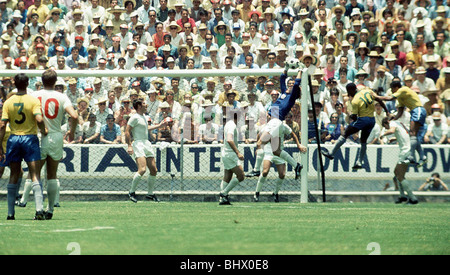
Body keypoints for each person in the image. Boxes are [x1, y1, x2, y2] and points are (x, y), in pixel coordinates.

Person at [0, 73, 48, 220]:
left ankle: (10, 213)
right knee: (34, 173)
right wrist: (43, 129)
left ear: (15, 84)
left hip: (14, 139)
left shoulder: (8, 102)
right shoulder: (33, 100)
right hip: (29, 138)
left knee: (14, 174)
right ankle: (39, 209)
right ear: (27, 84)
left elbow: (2, 124)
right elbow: (39, 118)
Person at [32, 69, 78, 219]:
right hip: (56, 135)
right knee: (52, 175)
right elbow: (75, 115)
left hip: (39, 136)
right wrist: (71, 132)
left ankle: (38, 209)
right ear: (55, 81)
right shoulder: (61, 96)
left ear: (42, 80)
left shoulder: (34, 95)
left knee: (36, 175)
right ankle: (50, 209)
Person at [322, 83, 389, 169]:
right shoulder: (367, 92)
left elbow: (354, 116)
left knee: (345, 133)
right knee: (363, 140)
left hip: (363, 120)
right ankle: (359, 162)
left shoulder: (355, 100)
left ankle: (332, 153)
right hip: (372, 120)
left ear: (350, 90)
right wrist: (387, 111)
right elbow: (379, 100)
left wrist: (351, 115)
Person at [255, 65, 303, 180]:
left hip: (276, 121)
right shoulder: (283, 93)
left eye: (292, 85)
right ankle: (296, 165)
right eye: (289, 84)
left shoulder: (291, 97)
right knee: (275, 150)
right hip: (273, 121)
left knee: (259, 143)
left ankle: (256, 170)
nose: (290, 85)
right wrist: (286, 68)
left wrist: (300, 71)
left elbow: (296, 84)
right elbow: (282, 78)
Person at [126, 99, 168, 203]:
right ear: (139, 106)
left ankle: (150, 194)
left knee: (154, 170)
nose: (146, 105)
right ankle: (131, 192)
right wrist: (129, 145)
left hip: (146, 143)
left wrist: (159, 126)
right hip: (139, 143)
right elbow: (127, 131)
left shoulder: (144, 117)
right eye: (144, 104)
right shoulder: (134, 117)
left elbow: (146, 128)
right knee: (142, 169)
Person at [377, 81, 428, 166]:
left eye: (392, 90)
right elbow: (400, 112)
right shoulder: (400, 98)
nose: (392, 92)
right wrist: (392, 120)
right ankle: (422, 156)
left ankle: (411, 156)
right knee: (413, 135)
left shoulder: (403, 89)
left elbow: (390, 98)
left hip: (418, 109)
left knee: (412, 133)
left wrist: (376, 97)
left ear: (396, 87)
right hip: (414, 111)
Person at [254, 122, 307, 203]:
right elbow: (259, 135)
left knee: (282, 174)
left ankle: (275, 193)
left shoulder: (283, 125)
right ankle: (257, 193)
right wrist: (258, 146)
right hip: (268, 152)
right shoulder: (266, 126)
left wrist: (298, 144)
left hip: (279, 152)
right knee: (265, 172)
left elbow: (293, 134)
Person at [379, 117, 418, 204]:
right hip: (407, 150)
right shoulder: (399, 123)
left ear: (387, 122)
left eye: (385, 126)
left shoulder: (392, 123)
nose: (386, 128)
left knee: (400, 176)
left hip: (405, 151)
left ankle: (412, 198)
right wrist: (395, 138)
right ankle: (402, 196)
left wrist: (383, 134)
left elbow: (392, 130)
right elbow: (404, 135)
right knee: (396, 172)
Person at [219, 107, 245, 205]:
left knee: (227, 176)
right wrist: (238, 152)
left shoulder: (229, 124)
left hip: (226, 153)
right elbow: (229, 139)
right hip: (230, 154)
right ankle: (224, 193)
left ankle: (222, 200)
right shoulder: (232, 125)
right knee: (241, 175)